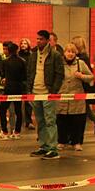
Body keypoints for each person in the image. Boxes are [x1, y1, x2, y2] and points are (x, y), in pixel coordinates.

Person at [28, 30, 65, 159]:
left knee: (50, 121)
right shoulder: (33, 54)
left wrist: (53, 91)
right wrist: (29, 90)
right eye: (37, 39)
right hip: (35, 92)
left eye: (41, 39)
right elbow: (30, 72)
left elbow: (60, 74)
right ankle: (43, 146)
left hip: (48, 93)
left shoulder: (55, 55)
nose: (38, 41)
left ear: (47, 40)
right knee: (40, 121)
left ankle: (53, 148)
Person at [56, 42, 94, 151]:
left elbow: (91, 76)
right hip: (62, 97)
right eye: (68, 51)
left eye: (73, 52)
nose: (70, 54)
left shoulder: (80, 63)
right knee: (62, 121)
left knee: (77, 122)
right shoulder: (59, 63)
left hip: (77, 99)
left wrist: (82, 76)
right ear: (64, 53)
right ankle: (62, 141)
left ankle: (76, 142)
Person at [0, 41, 27, 139]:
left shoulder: (5, 62)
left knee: (2, 110)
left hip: (8, 89)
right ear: (17, 50)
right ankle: (17, 132)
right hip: (18, 88)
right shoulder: (22, 61)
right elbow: (24, 76)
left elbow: (2, 75)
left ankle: (5, 132)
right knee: (18, 111)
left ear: (9, 51)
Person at [18, 37, 35, 129]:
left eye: (25, 43)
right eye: (21, 43)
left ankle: (28, 121)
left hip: (28, 81)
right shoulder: (17, 55)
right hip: (19, 81)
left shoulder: (32, 55)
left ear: (28, 45)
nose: (23, 45)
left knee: (28, 103)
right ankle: (19, 121)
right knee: (18, 103)